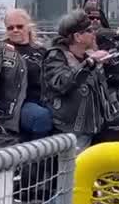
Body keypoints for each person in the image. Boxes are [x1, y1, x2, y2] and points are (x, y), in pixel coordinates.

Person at [0, 8, 52, 138]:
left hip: (43, 100)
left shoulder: (41, 50)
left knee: (65, 117)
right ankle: (38, 157)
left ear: (28, 26)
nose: (15, 30)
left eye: (19, 26)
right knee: (41, 117)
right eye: (10, 28)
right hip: (15, 106)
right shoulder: (1, 49)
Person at [43, 9, 114, 147]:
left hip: (92, 128)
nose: (94, 33)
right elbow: (62, 83)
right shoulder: (55, 57)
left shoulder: (86, 56)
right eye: (89, 30)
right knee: (72, 168)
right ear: (77, 37)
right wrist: (90, 63)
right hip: (71, 131)